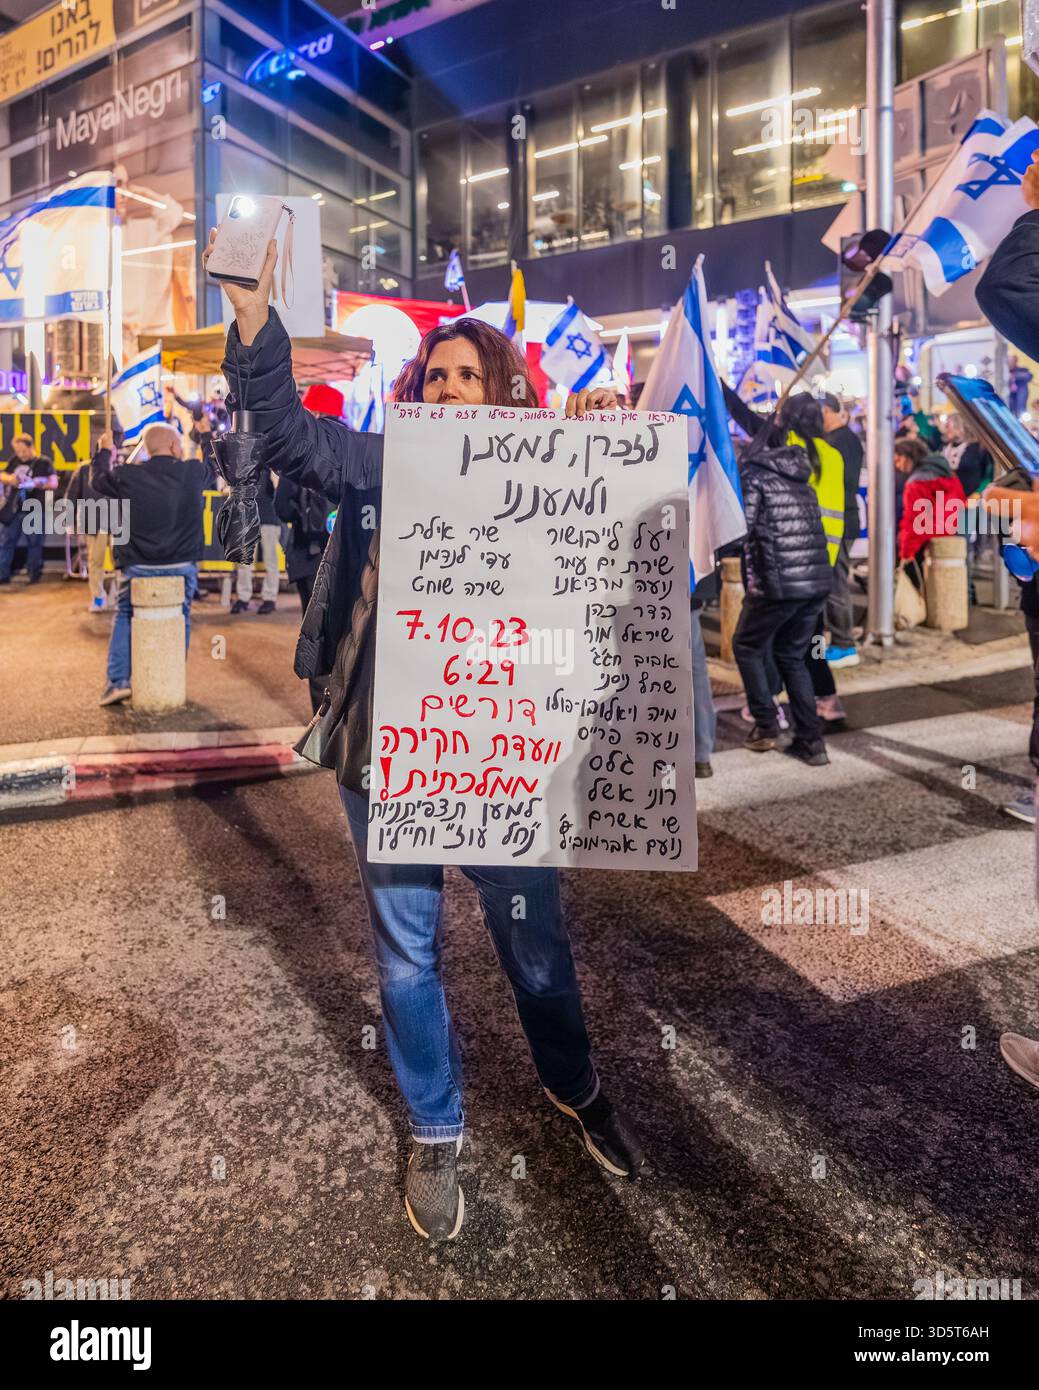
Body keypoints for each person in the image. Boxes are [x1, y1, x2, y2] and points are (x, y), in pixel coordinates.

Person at [212, 231, 645, 1243]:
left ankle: (574, 1086)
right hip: (383, 746)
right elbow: (284, 437)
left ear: (504, 392)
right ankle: (434, 1127)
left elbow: (648, 544)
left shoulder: (558, 464)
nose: (446, 387)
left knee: (534, 947)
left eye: (466, 374)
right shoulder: (386, 455)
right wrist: (250, 317)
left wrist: (610, 435)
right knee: (407, 957)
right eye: (433, 374)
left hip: (505, 758)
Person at [727, 392, 834, 767]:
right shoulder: (799, 472)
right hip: (815, 579)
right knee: (792, 656)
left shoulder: (756, 475)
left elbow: (743, 530)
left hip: (778, 581)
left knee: (747, 645)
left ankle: (767, 725)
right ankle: (811, 741)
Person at [90, 423, 214, 706]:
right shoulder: (191, 473)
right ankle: (171, 674)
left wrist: (104, 452)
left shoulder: (126, 475)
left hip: (137, 564)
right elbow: (217, 464)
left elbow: (97, 480)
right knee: (180, 616)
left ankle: (118, 681)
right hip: (182, 563)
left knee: (124, 614)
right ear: (173, 446)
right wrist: (206, 435)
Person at [273, 384, 343, 714]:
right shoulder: (358, 450)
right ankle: (350, 715)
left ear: (312, 413)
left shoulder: (300, 452)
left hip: (309, 558)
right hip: (352, 559)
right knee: (350, 633)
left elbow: (283, 510)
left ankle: (321, 716)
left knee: (315, 636)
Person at [820, 393, 863, 670]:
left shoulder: (842, 441)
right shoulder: (842, 439)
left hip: (840, 522)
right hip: (840, 520)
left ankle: (844, 644)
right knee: (833, 582)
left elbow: (839, 483)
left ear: (826, 411)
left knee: (836, 584)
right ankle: (839, 641)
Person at [895, 436, 967, 587]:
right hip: (952, 540)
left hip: (926, 545)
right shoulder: (947, 473)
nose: (898, 466)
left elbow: (915, 522)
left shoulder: (916, 482)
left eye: (898, 460)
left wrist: (906, 554)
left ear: (908, 457)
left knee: (922, 593)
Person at [0, 434, 58, 584]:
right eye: (18, 451)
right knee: (6, 542)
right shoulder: (15, 460)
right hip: (14, 510)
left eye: (23, 451)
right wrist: (10, 479)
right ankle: (2, 574)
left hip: (35, 509)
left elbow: (53, 482)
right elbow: (3, 475)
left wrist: (37, 483)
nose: (21, 454)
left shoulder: (43, 462)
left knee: (34, 543)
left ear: (31, 447)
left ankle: (34, 573)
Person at [231, 462, 280, 615]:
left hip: (269, 516)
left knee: (270, 560)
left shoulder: (273, 463)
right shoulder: (246, 463)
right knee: (244, 562)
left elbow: (279, 487)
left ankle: (270, 597)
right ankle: (244, 597)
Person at [65, 457, 110, 612]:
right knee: (95, 561)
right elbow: (72, 496)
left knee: (120, 563)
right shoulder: (85, 469)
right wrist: (69, 523)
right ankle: (98, 597)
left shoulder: (121, 465)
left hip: (118, 522)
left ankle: (118, 596)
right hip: (94, 522)